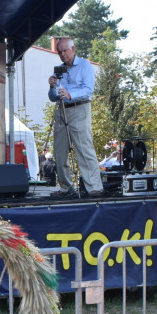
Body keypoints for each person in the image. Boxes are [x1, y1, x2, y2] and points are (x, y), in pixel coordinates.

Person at [47, 38, 104, 198]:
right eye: (60, 51)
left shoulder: (84, 65)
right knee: (59, 151)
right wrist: (52, 87)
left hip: (80, 108)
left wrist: (70, 94)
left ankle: (94, 186)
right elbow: (52, 97)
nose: (62, 54)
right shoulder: (58, 70)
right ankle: (66, 187)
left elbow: (88, 89)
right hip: (62, 109)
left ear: (73, 49)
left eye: (65, 50)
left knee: (84, 148)